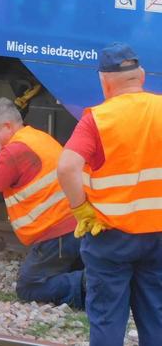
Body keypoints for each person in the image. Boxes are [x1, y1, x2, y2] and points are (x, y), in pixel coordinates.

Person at [58, 42, 162, 346]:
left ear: (104, 82)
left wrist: (81, 210)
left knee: (107, 317)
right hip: (158, 233)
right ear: (141, 76)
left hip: (111, 235)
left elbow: (66, 168)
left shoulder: (97, 119)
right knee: (156, 314)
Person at [0, 98, 84, 308]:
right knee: (63, 270)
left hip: (56, 234)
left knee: (29, 288)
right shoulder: (37, 137)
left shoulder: (13, 152)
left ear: (7, 126)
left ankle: (93, 283)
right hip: (76, 227)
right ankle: (96, 278)